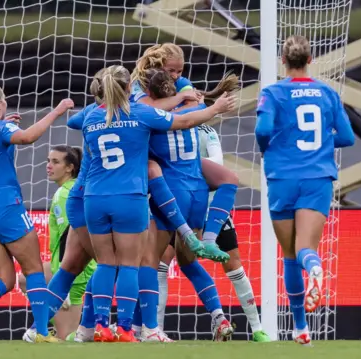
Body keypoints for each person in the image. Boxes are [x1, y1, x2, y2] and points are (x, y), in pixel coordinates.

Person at [82, 65, 236, 342]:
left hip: (94, 197)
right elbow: (183, 121)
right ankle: (130, 328)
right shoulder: (142, 115)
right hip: (136, 195)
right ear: (130, 89)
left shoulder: (89, 118)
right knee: (134, 264)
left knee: (106, 264)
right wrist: (214, 107)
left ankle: (100, 325)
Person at [255, 35, 355, 346]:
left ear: (283, 62)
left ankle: (300, 327)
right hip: (317, 177)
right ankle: (315, 269)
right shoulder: (327, 92)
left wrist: (268, 149)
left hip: (282, 176)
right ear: (310, 60)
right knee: (306, 249)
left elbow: (262, 130)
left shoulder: (272, 93)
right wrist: (323, 144)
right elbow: (348, 137)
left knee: (288, 254)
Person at [0, 82, 73, 343]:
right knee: (33, 270)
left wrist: (5, 123)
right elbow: (28, 137)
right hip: (6, 208)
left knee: (5, 278)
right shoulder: (1, 129)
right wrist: (57, 110)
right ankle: (42, 333)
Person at [155, 122, 271, 342]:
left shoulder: (205, 130)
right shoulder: (166, 125)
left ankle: (256, 329)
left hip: (210, 206)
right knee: (164, 261)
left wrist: (185, 168)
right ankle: (157, 328)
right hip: (178, 204)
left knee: (232, 262)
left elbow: (218, 162)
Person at [130, 43, 240, 258]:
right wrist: (181, 101)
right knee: (154, 258)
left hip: (187, 162)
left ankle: (209, 240)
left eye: (179, 70)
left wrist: (181, 107)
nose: (175, 75)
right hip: (155, 159)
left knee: (229, 179)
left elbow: (193, 108)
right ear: (158, 65)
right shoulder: (138, 84)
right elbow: (149, 111)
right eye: (170, 70)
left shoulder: (182, 82)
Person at [19, 146, 97, 341]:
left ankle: (49, 326)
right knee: (24, 279)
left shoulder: (65, 194)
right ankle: (47, 323)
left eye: (55, 162)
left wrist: (64, 277)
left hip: (75, 273)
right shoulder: (72, 189)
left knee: (67, 340)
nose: (48, 166)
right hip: (67, 267)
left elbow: (68, 238)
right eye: (48, 161)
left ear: (70, 167)